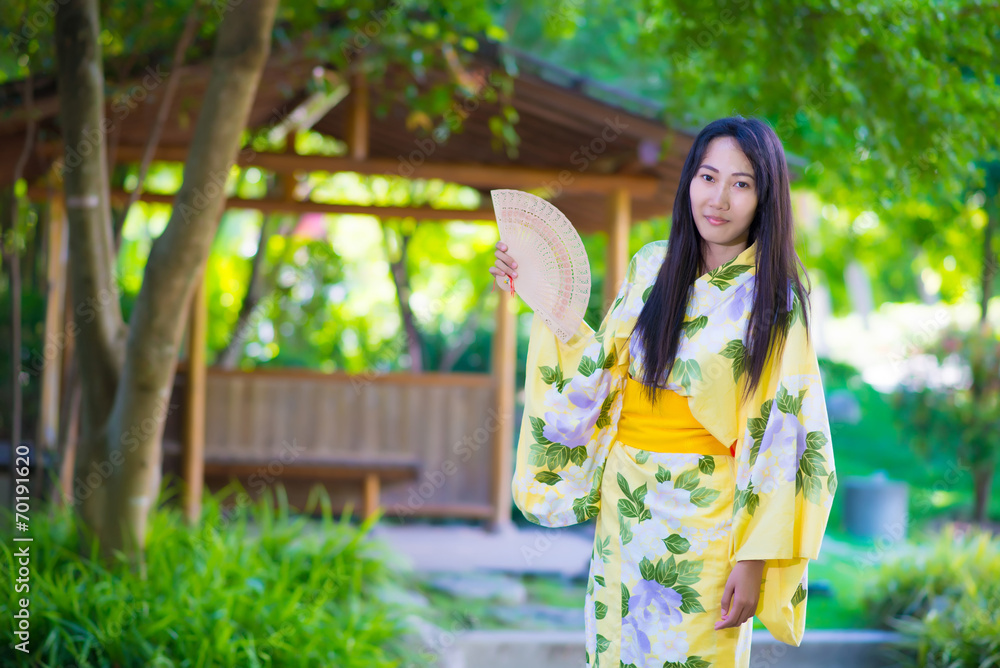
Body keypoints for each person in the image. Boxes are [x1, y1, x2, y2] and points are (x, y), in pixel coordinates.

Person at [488, 116, 836, 668]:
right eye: (707, 177)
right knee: (616, 651)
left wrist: (753, 559)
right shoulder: (652, 265)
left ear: (765, 197)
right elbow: (601, 369)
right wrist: (537, 288)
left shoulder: (776, 299)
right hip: (628, 501)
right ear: (689, 183)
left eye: (741, 184)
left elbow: (786, 432)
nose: (718, 198)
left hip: (709, 515)